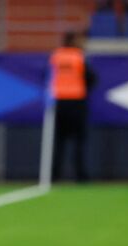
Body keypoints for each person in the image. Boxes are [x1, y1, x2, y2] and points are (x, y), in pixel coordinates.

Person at [49, 31, 97, 182]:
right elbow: (91, 78)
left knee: (58, 142)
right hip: (76, 102)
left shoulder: (56, 57)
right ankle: (81, 175)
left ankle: (54, 175)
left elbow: (46, 77)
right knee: (79, 141)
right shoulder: (79, 57)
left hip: (59, 102)